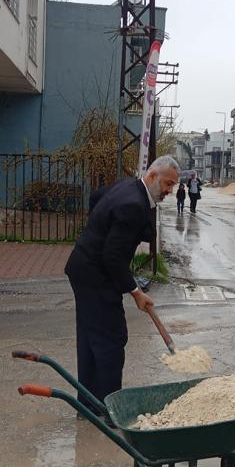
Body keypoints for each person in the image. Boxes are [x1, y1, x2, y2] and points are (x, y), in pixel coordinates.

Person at [64, 155, 180, 419]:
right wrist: (136, 292)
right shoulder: (133, 205)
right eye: (168, 184)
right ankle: (109, 410)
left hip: (83, 268)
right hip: (96, 275)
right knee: (111, 340)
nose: (169, 191)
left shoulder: (127, 186)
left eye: (173, 186)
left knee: (90, 337)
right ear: (153, 176)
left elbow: (96, 197)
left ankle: (88, 405)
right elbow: (112, 258)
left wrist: (97, 229)